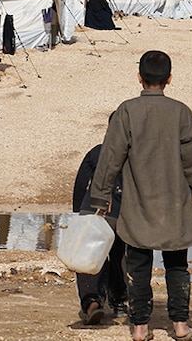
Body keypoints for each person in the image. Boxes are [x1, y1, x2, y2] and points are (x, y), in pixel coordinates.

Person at [90, 50, 192, 341]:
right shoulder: (182, 112)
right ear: (169, 79)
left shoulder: (127, 111)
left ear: (139, 78)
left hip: (138, 204)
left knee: (138, 268)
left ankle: (140, 327)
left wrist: (100, 199)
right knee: (177, 266)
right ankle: (180, 325)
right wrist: (186, 191)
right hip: (174, 204)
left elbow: (110, 158)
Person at [72, 137, 128, 325]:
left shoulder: (97, 151)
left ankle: (91, 302)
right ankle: (119, 303)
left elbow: (82, 181)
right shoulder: (134, 154)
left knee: (88, 256)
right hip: (119, 212)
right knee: (118, 257)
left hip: (92, 208)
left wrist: (79, 208)